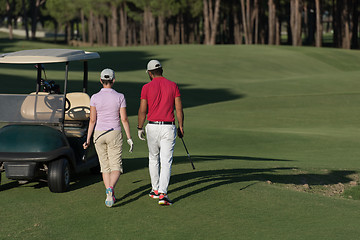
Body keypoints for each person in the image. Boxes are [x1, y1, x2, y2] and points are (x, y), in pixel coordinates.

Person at [83, 68, 133, 208]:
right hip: (114, 133)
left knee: (105, 167)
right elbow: (124, 119)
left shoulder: (94, 97)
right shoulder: (120, 96)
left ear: (100, 80)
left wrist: (87, 140)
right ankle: (110, 189)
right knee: (116, 167)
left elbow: (92, 120)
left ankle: (109, 194)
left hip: (99, 134)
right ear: (113, 80)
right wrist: (129, 137)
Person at [137, 60, 184, 206]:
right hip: (168, 127)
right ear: (162, 70)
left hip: (152, 126)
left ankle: (155, 190)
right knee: (166, 161)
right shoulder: (173, 85)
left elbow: (143, 110)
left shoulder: (146, 87)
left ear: (150, 73)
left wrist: (139, 127)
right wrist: (181, 127)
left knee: (153, 158)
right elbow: (179, 109)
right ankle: (163, 194)